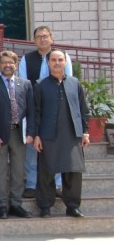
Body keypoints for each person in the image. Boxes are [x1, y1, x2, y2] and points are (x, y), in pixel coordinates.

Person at [31, 49, 89, 218]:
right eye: (54, 60)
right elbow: (36, 112)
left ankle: (73, 206)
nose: (57, 63)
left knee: (73, 171)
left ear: (65, 62)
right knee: (46, 171)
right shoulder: (40, 85)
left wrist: (85, 131)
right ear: (48, 63)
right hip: (47, 134)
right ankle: (45, 206)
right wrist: (36, 135)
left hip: (72, 134)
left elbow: (83, 109)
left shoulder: (75, 83)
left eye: (60, 60)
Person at [18, 25, 72, 198]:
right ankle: (32, 184)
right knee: (31, 147)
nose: (42, 39)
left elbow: (68, 82)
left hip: (56, 109)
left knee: (56, 146)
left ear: (51, 38)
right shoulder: (26, 59)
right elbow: (24, 84)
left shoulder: (62, 57)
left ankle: (57, 184)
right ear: (34, 40)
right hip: (33, 107)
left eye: (45, 36)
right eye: (39, 37)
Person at [0, 50, 35, 219]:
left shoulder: (26, 84)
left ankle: (16, 204)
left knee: (18, 171)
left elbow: (31, 111)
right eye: (4, 63)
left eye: (10, 62)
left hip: (19, 134)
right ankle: (1, 205)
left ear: (16, 64)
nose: (7, 65)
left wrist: (31, 132)